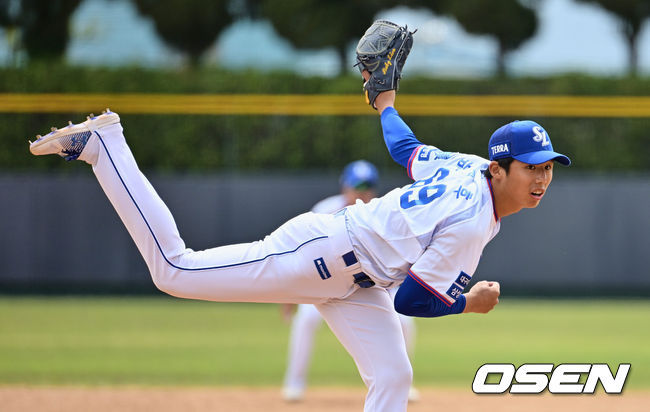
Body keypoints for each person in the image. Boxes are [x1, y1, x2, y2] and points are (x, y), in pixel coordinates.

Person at [28, 81, 570, 411]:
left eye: (548, 168)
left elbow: (405, 148)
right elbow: (411, 302)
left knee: (394, 375)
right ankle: (107, 147)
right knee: (174, 269)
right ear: (499, 170)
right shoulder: (473, 219)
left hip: (357, 279)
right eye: (531, 169)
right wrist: (468, 304)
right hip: (322, 253)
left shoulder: (469, 167)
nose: (542, 179)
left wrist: (384, 103)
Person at [281, 161, 419, 403]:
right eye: (357, 186)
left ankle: (402, 385)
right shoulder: (324, 209)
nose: (361, 193)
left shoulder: (382, 212)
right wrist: (291, 294)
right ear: (345, 186)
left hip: (372, 283)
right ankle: (294, 383)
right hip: (322, 280)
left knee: (406, 322)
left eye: (367, 187)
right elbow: (299, 250)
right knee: (306, 319)